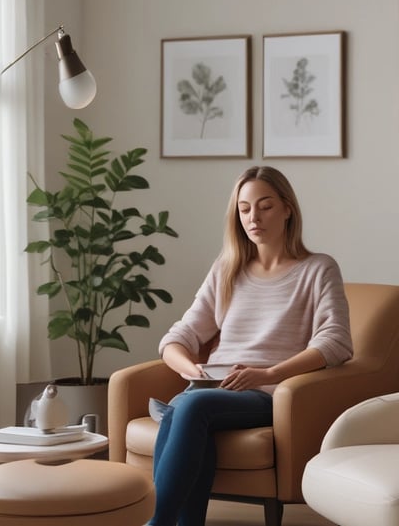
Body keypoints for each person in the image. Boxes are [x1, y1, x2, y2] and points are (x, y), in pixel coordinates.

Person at [147, 166, 353, 526]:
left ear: (287, 208)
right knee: (192, 405)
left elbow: (336, 341)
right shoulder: (228, 269)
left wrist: (270, 372)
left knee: (188, 408)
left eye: (265, 206)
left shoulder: (318, 269)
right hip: (212, 389)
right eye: (244, 209)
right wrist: (189, 369)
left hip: (268, 393)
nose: (253, 217)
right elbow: (178, 337)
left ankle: (157, 521)